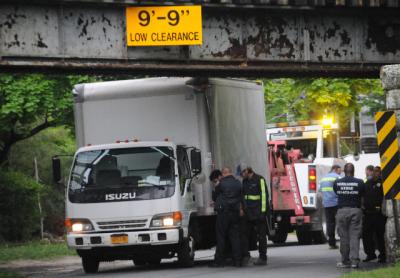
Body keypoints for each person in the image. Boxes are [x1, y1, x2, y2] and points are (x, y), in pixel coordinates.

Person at [333, 163, 365, 269]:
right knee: (354, 236)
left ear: (344, 171)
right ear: (353, 171)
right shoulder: (360, 182)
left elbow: (337, 192)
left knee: (344, 237)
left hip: (342, 211)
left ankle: (345, 261)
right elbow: (362, 194)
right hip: (355, 210)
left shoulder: (337, 182)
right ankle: (355, 261)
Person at [209, 167, 242, 267]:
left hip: (223, 214)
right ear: (230, 172)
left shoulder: (220, 183)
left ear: (223, 174)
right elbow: (241, 197)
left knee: (221, 237)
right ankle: (237, 261)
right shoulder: (238, 183)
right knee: (235, 237)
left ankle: (219, 261)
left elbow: (214, 197)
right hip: (235, 213)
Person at [241, 167, 269, 266]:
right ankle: (246, 256)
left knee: (261, 236)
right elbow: (243, 197)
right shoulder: (244, 181)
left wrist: (263, 212)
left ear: (248, 171)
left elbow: (264, 197)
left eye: (242, 172)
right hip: (248, 213)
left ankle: (262, 258)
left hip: (258, 213)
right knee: (244, 234)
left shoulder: (260, 179)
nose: (241, 175)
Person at [362, 166, 386, 263]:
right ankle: (370, 254)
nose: (375, 173)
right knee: (366, 234)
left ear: (380, 173)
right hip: (368, 213)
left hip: (379, 214)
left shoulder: (383, 183)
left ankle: (383, 255)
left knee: (380, 235)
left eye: (377, 172)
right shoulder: (367, 183)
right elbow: (363, 196)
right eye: (374, 172)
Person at [319, 165, 341, 249]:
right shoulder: (337, 177)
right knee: (340, 222)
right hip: (336, 203)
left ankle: (331, 243)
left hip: (327, 204)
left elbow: (320, 190)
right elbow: (341, 189)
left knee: (330, 223)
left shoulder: (323, 179)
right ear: (335, 169)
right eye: (339, 170)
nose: (340, 172)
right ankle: (344, 241)